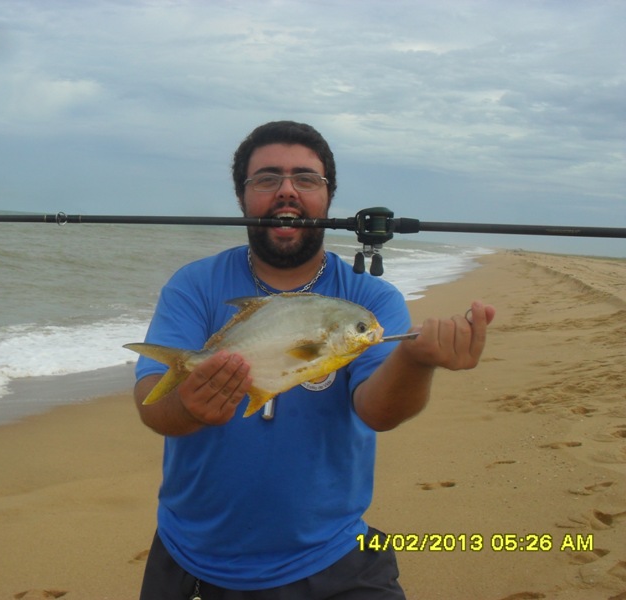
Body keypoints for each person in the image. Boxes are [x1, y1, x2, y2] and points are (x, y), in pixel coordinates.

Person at [132, 121, 495, 599]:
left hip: (335, 558)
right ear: (243, 198)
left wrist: (415, 361)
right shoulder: (194, 285)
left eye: (306, 179)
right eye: (267, 179)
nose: (287, 192)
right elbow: (153, 404)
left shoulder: (369, 299)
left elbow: (377, 411)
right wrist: (187, 407)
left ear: (328, 198)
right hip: (195, 558)